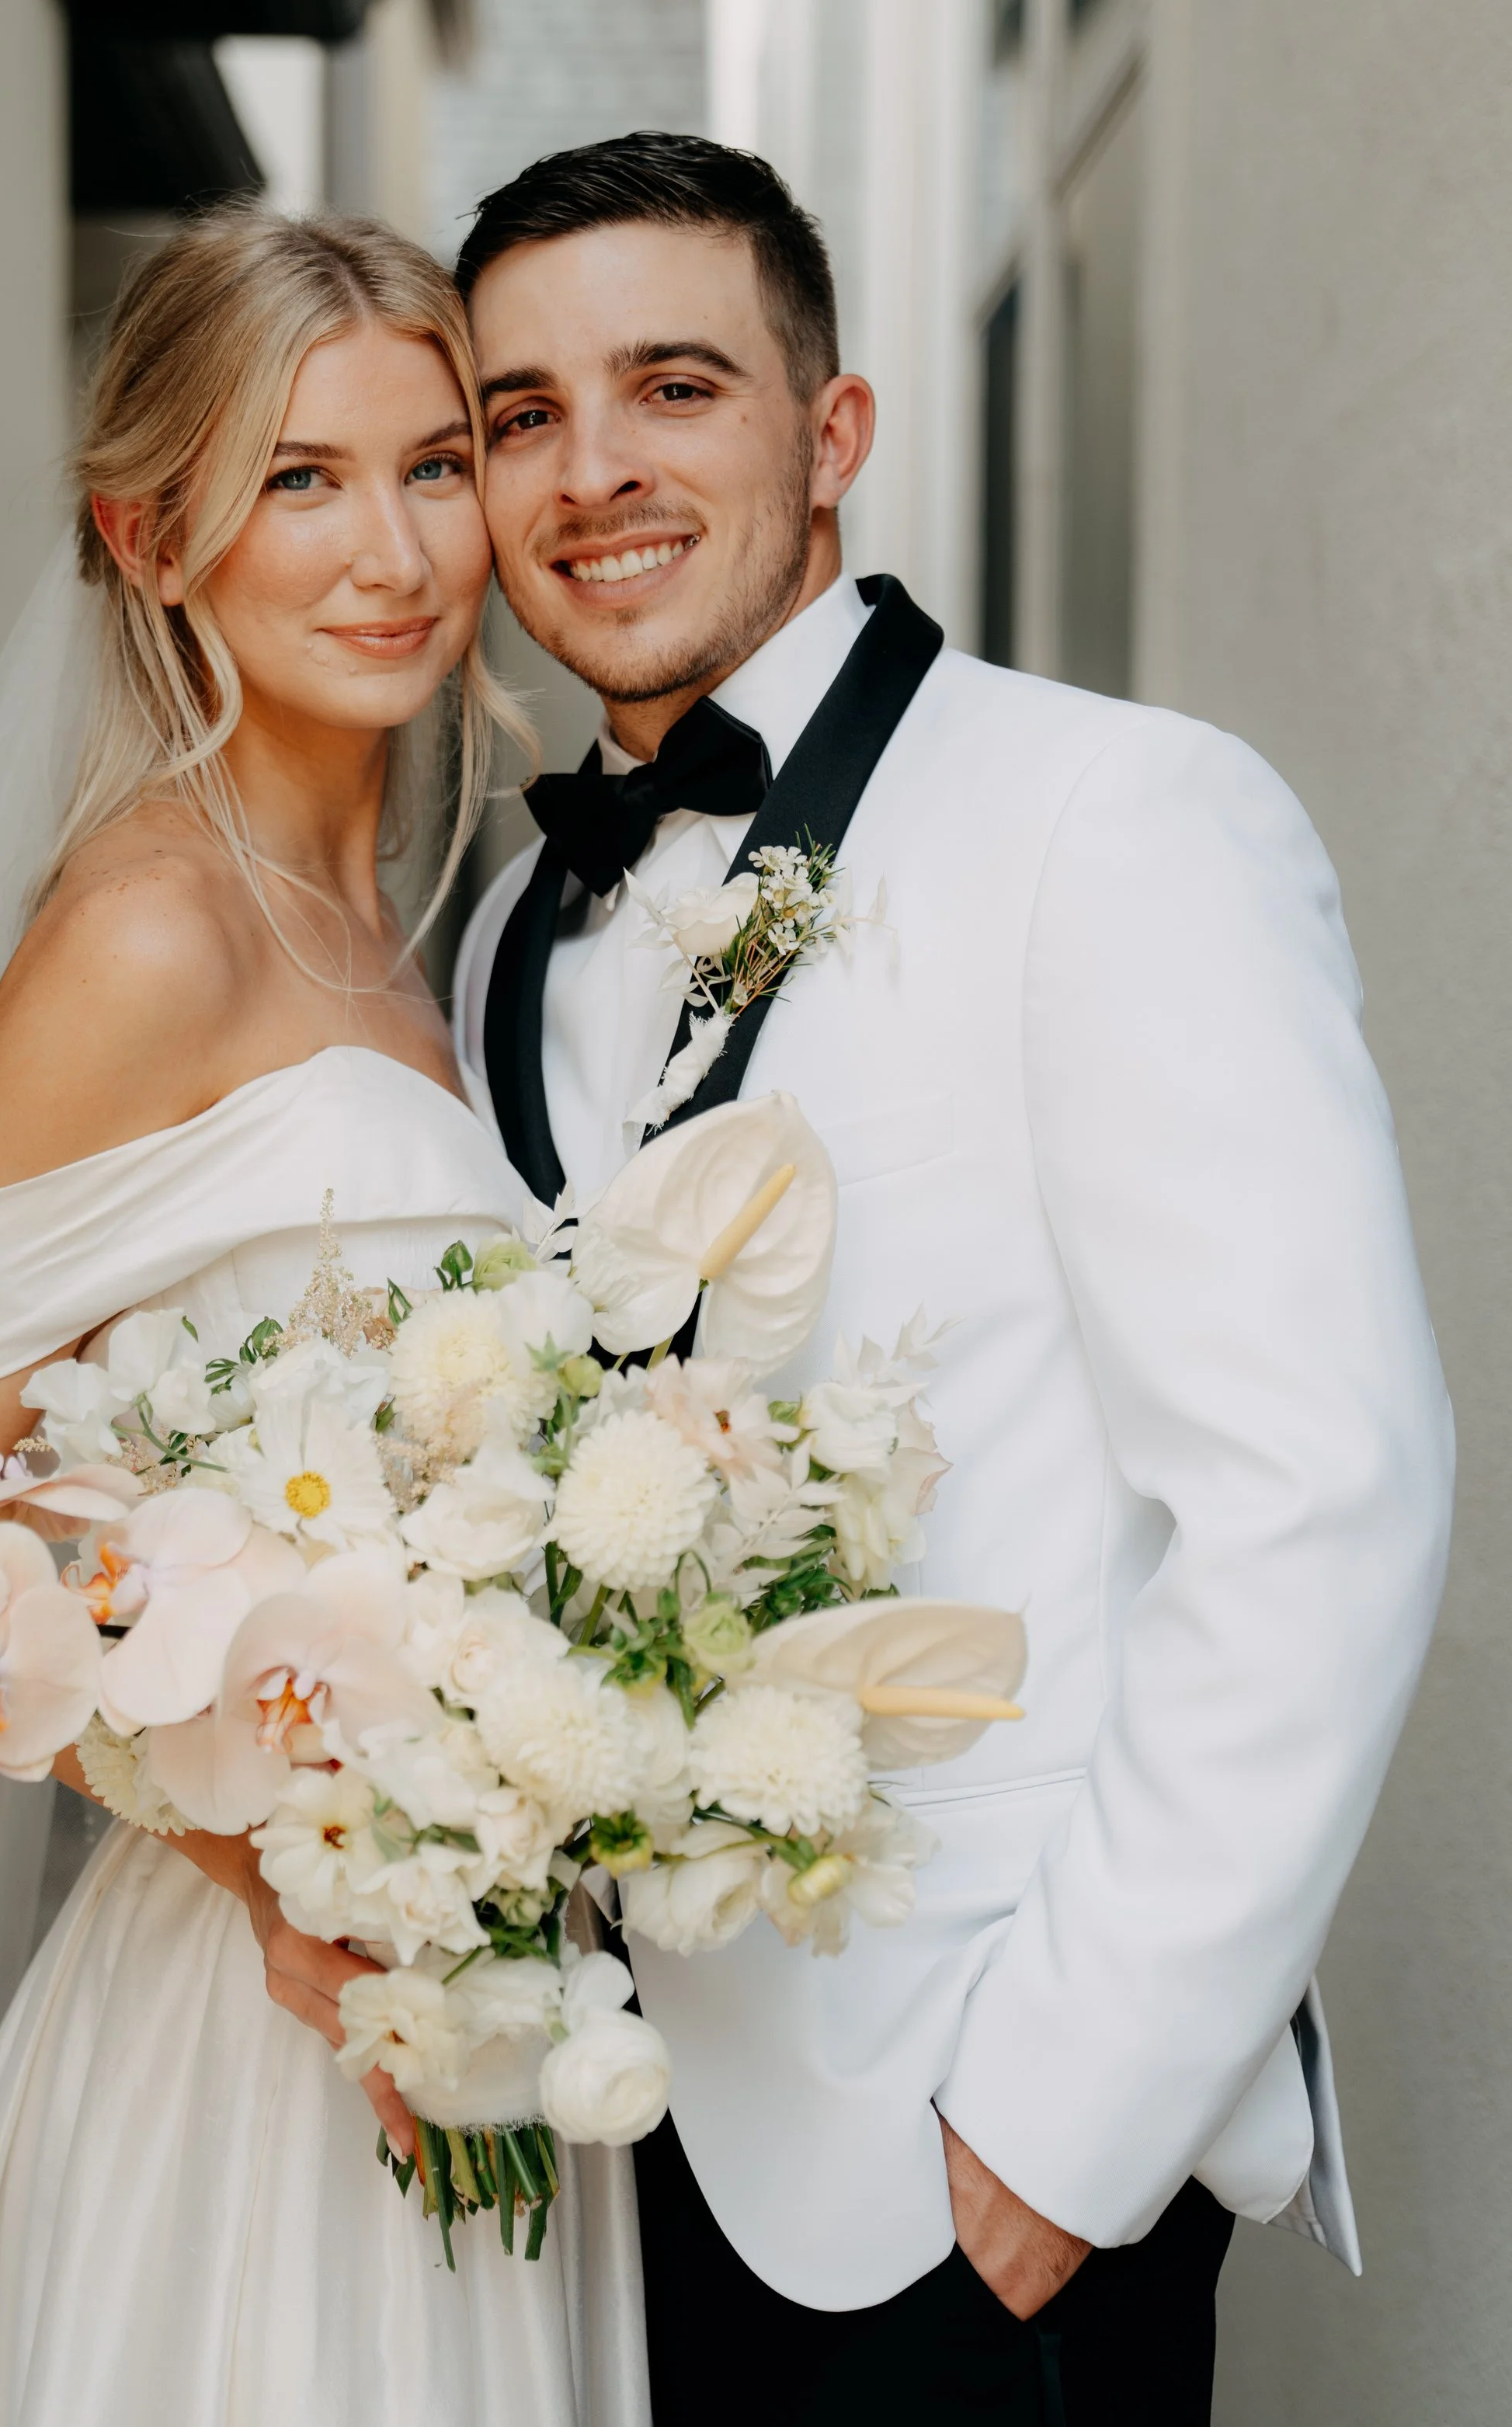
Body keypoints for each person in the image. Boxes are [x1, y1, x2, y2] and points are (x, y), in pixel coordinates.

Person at [0, 209, 646, 2427]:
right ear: (151, 538)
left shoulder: (410, 929)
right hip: (249, 2030)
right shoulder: (147, 932)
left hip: (465, 1988)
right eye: (297, 479)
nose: (392, 551)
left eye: (434, 464)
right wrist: (279, 1866)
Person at [450, 134, 1453, 2425]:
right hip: (604, 2158)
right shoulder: (509, 924)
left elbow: (1322, 1493)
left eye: (670, 386)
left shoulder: (1113, 817)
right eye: (519, 413)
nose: (588, 471)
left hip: (968, 2152)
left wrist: (1058, 2131)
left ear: (833, 435)